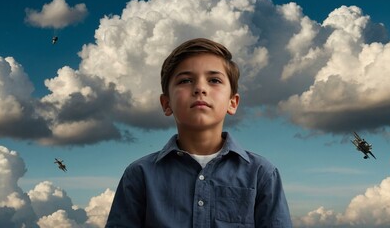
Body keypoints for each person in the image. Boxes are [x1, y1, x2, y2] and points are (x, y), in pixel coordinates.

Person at [106, 38, 292, 227]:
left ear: (232, 102)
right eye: (185, 80)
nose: (200, 88)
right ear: (166, 103)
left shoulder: (261, 173)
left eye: (214, 80)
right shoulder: (139, 174)